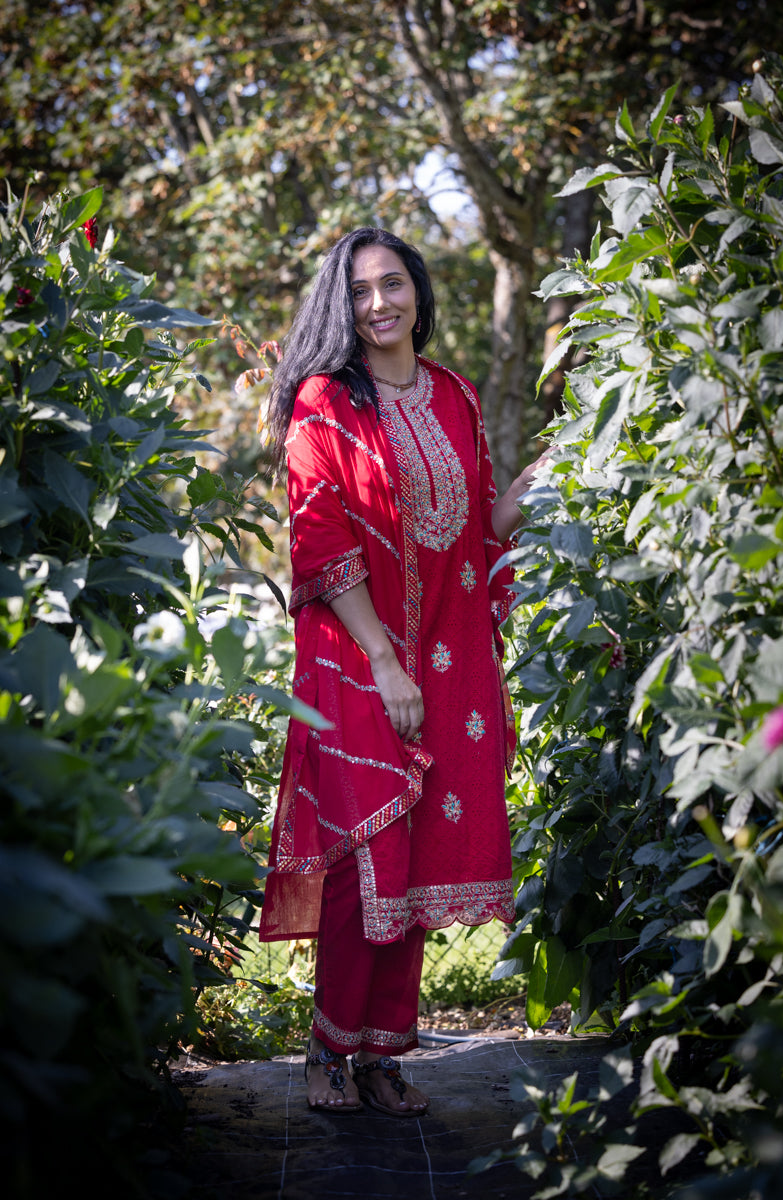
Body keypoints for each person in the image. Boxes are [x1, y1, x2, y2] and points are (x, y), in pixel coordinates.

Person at [259, 227, 547, 1117]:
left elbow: (479, 535)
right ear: (339, 307)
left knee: (417, 864)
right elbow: (321, 538)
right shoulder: (323, 404)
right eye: (360, 291)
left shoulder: (456, 395)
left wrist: (547, 476)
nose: (379, 303)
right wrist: (385, 661)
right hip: (358, 659)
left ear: (418, 293)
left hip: (451, 659)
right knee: (365, 859)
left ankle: (384, 1057)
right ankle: (329, 1050)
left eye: (393, 284)